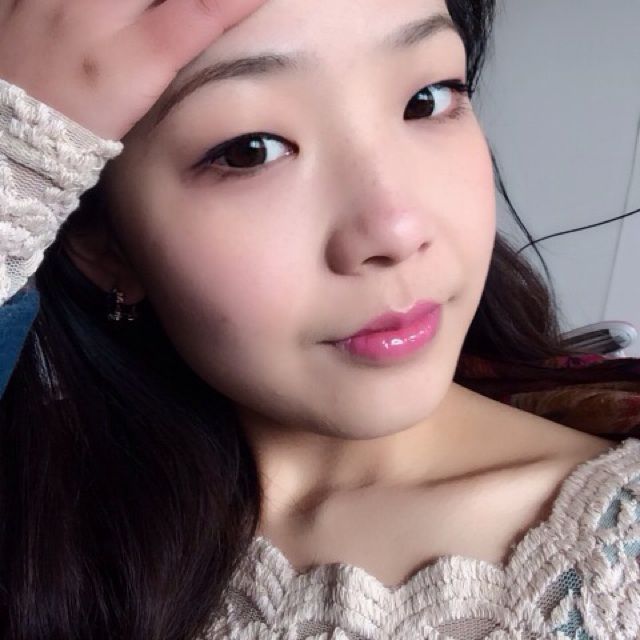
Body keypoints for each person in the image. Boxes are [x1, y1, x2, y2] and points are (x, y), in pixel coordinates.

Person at [0, 0, 639, 638]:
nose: (395, 231)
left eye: (426, 100)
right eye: (249, 151)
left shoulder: (616, 558)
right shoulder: (41, 530)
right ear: (100, 242)